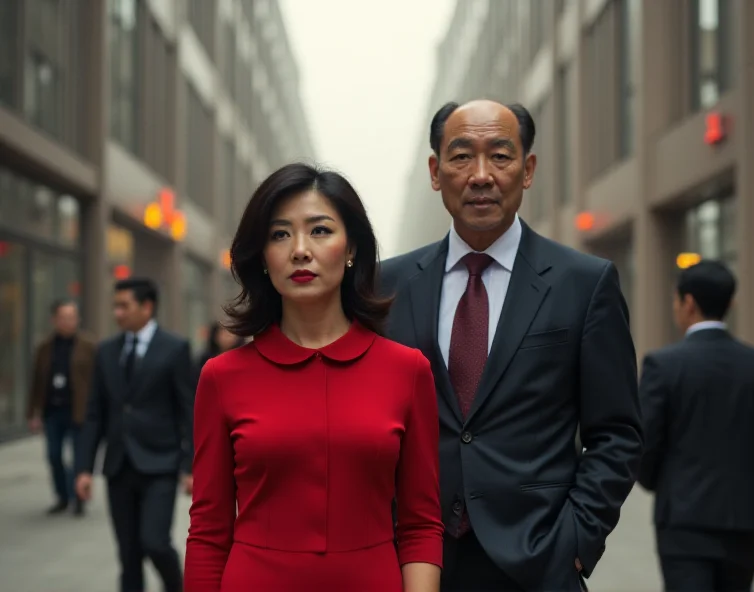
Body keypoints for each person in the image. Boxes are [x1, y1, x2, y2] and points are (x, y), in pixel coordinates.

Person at [380, 100, 643, 591]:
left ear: (528, 169)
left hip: (538, 561)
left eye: (500, 156)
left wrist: (578, 541)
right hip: (412, 563)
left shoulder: (584, 283)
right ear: (436, 172)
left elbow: (617, 432)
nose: (481, 175)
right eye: (461, 157)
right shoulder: (387, 286)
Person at [185, 163, 443, 591]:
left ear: (352, 249)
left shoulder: (408, 371)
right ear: (263, 257)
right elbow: (209, 532)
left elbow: (420, 525)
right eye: (280, 234)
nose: (299, 250)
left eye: (320, 230)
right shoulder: (222, 377)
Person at [638, 260, 754, 591]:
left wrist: (659, 482)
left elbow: (645, 443)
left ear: (688, 303)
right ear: (730, 304)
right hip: (745, 525)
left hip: (683, 523)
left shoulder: (663, 366)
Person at [76, 277, 194, 592]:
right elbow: (94, 414)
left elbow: (189, 411)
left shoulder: (174, 348)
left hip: (161, 464)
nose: (117, 313)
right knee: (128, 556)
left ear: (147, 307)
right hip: (118, 466)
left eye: (123, 306)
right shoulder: (106, 351)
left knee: (155, 542)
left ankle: (177, 586)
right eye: (115, 306)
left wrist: (190, 466)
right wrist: (84, 468)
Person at [27, 298, 95, 516]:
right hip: (52, 410)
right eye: (63, 318)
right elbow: (36, 381)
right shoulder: (45, 348)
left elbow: (97, 382)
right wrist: (33, 413)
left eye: (72, 317)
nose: (68, 322)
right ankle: (63, 496)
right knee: (54, 456)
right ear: (54, 320)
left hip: (78, 411)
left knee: (78, 458)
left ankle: (78, 498)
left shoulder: (89, 346)